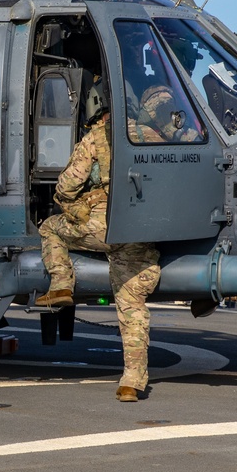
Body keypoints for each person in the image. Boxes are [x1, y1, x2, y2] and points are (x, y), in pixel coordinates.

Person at [35, 79, 161, 402]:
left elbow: (65, 187)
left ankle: (61, 284)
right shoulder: (151, 136)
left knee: (50, 227)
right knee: (131, 303)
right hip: (139, 233)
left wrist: (79, 205)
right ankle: (132, 381)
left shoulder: (95, 138)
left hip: (100, 228)